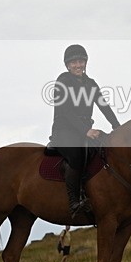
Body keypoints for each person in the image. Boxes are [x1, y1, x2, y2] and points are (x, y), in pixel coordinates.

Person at [50, 44, 121, 218]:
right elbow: (65, 111)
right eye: (73, 62)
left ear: (85, 63)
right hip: (64, 130)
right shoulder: (63, 81)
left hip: (84, 129)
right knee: (77, 155)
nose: (78, 65)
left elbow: (103, 105)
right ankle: (74, 201)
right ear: (67, 65)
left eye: (81, 61)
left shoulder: (91, 83)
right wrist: (85, 131)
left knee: (104, 150)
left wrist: (117, 127)